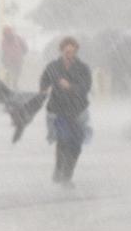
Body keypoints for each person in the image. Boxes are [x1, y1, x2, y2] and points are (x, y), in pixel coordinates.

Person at [39, 36, 92, 187]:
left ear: (76, 51)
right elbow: (44, 80)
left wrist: (71, 87)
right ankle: (59, 171)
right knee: (62, 141)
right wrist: (43, 89)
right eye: (66, 52)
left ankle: (67, 175)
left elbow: (86, 87)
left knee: (76, 145)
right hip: (58, 110)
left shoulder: (83, 68)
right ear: (62, 51)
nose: (69, 54)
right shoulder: (53, 67)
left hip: (78, 111)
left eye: (72, 52)